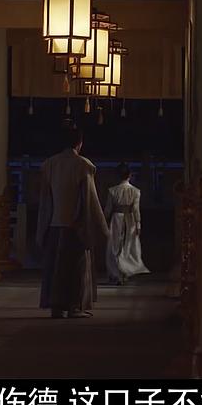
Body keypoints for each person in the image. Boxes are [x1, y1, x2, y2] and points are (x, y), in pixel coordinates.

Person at [36, 123, 110, 319]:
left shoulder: (50, 164)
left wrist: (42, 229)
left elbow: (45, 201)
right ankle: (74, 307)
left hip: (54, 224)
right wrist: (101, 229)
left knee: (54, 269)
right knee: (76, 269)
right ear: (80, 143)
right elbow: (90, 200)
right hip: (75, 226)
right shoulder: (84, 165)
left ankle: (56, 307)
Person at [104, 162, 149, 284]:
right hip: (130, 220)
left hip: (116, 219)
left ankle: (117, 273)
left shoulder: (113, 191)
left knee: (115, 247)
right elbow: (136, 210)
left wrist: (104, 222)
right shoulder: (135, 191)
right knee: (127, 246)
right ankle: (123, 273)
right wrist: (138, 224)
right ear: (130, 175)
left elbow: (108, 210)